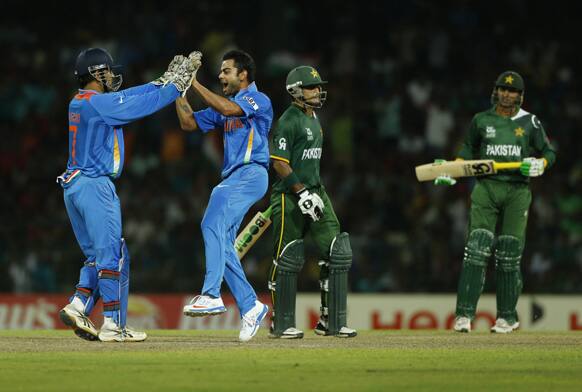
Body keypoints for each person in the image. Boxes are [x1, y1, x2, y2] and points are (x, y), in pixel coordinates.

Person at [58, 47, 200, 342]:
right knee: (114, 256)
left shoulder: (81, 101)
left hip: (74, 185)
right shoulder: (98, 105)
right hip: (96, 185)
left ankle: (77, 305)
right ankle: (112, 325)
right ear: (97, 73)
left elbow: (129, 96)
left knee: (98, 257)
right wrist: (175, 87)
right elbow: (140, 107)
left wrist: (161, 80)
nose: (111, 75)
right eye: (107, 71)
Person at [434, 70, 556, 333]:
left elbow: (549, 151)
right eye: (503, 89)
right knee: (476, 247)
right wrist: (454, 169)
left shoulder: (530, 122)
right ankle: (464, 316)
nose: (507, 94)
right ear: (496, 91)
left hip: (517, 190)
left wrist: (541, 164)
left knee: (509, 252)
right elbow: (467, 150)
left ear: (520, 95)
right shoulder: (481, 120)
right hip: (487, 187)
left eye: (512, 91)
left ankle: (507, 317)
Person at [175, 50, 271, 342]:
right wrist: (178, 91)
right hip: (235, 178)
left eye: (226, 71)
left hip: (251, 173)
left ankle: (211, 294)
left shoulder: (258, 99)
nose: (221, 76)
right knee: (224, 245)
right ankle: (250, 305)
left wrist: (193, 83)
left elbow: (230, 111)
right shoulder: (225, 105)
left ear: (243, 75)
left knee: (210, 225)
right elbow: (188, 123)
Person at [267, 66, 357, 339]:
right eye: (311, 87)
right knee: (287, 257)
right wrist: (301, 192)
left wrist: (311, 192)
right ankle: (280, 323)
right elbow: (279, 163)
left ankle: (331, 321)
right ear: (295, 91)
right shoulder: (288, 120)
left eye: (318, 86)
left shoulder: (315, 118)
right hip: (288, 196)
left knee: (337, 251)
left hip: (317, 191)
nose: (318, 91)